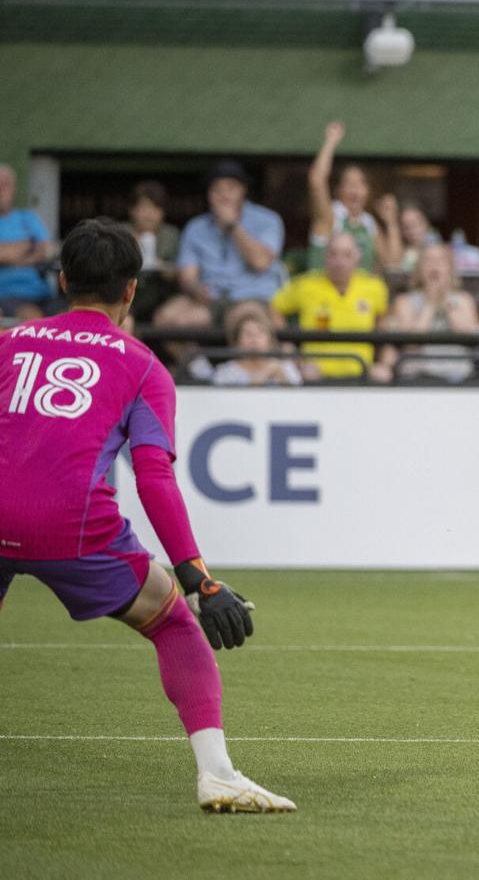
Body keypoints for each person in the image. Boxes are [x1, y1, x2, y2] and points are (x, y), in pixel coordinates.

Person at [0, 217, 295, 813]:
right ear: (131, 290)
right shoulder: (142, 366)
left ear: (61, 281)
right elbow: (154, 478)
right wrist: (198, 580)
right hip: (72, 524)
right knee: (172, 624)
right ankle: (217, 773)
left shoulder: (6, 343)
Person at [166, 160, 285, 324]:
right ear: (209, 195)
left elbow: (261, 262)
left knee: (244, 320)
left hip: (253, 298)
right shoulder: (196, 227)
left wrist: (233, 225)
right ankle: (198, 352)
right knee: (167, 318)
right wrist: (196, 289)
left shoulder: (268, 220)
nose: (224, 196)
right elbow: (188, 276)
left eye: (230, 188)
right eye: (217, 190)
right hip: (210, 300)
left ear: (243, 190)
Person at [271, 232, 389, 382]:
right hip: (315, 375)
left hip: (362, 373)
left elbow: (384, 320)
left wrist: (381, 362)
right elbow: (274, 307)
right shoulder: (306, 285)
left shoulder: (374, 287)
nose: (339, 262)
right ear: (324, 257)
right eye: (333, 254)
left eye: (347, 255)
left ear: (358, 258)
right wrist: (288, 348)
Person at [380, 243, 479, 384]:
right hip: (417, 376)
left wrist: (446, 300)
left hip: (458, 377)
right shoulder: (404, 301)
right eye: (428, 260)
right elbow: (411, 343)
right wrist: (430, 304)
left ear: (450, 268)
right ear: (419, 269)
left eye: (441, 260)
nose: (434, 265)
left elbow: (469, 336)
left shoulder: (464, 300)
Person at [308, 121, 402, 273]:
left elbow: (393, 262)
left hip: (357, 295)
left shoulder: (368, 223)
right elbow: (317, 182)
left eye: (361, 183)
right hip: (324, 293)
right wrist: (330, 142)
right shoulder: (330, 216)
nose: (355, 188)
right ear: (338, 190)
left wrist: (391, 222)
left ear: (368, 191)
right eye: (349, 183)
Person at [0, 163, 56, 320]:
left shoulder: (27, 218)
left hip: (42, 293)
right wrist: (27, 246)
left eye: (6, 185)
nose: (1, 189)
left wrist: (12, 257)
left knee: (70, 315)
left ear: (13, 189)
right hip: (8, 295)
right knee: (33, 317)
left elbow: (46, 249)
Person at [125, 181, 183, 323]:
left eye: (155, 208)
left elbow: (182, 271)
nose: (149, 214)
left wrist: (165, 269)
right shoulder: (120, 234)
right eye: (144, 208)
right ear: (132, 210)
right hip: (126, 300)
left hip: (162, 299)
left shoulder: (171, 235)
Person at [209, 302, 302, 387]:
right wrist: (261, 376)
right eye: (248, 333)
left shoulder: (286, 368)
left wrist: (282, 377)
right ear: (237, 341)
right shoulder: (225, 373)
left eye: (260, 333)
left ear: (270, 339)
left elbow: (299, 400)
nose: (254, 339)